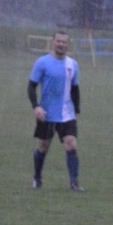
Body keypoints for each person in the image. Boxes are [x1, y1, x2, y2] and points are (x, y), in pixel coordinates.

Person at [28, 31, 84, 191]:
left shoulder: (73, 65)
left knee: (71, 145)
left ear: (68, 45)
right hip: (47, 114)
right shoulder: (42, 62)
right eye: (58, 41)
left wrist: (77, 109)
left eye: (64, 42)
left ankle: (74, 183)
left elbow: (75, 88)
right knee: (43, 147)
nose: (61, 44)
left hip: (67, 114)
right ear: (53, 42)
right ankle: (37, 177)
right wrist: (36, 106)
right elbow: (31, 86)